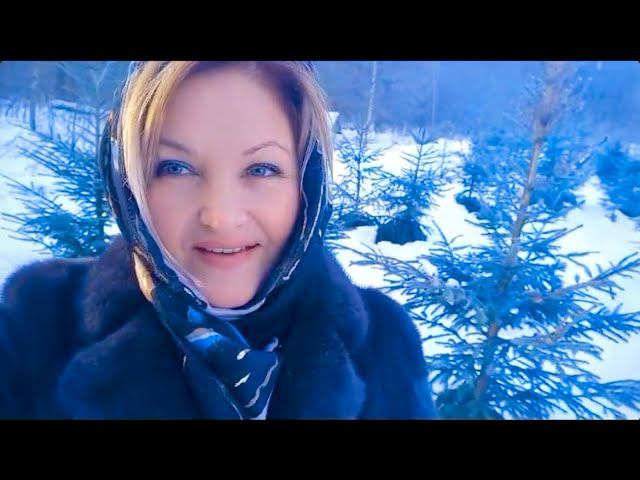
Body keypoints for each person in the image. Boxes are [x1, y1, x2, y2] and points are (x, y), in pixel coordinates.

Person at [0, 61, 438, 419]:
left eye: (262, 169)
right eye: (175, 168)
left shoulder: (384, 345)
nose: (221, 217)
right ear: (130, 185)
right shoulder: (34, 327)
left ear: (307, 184)